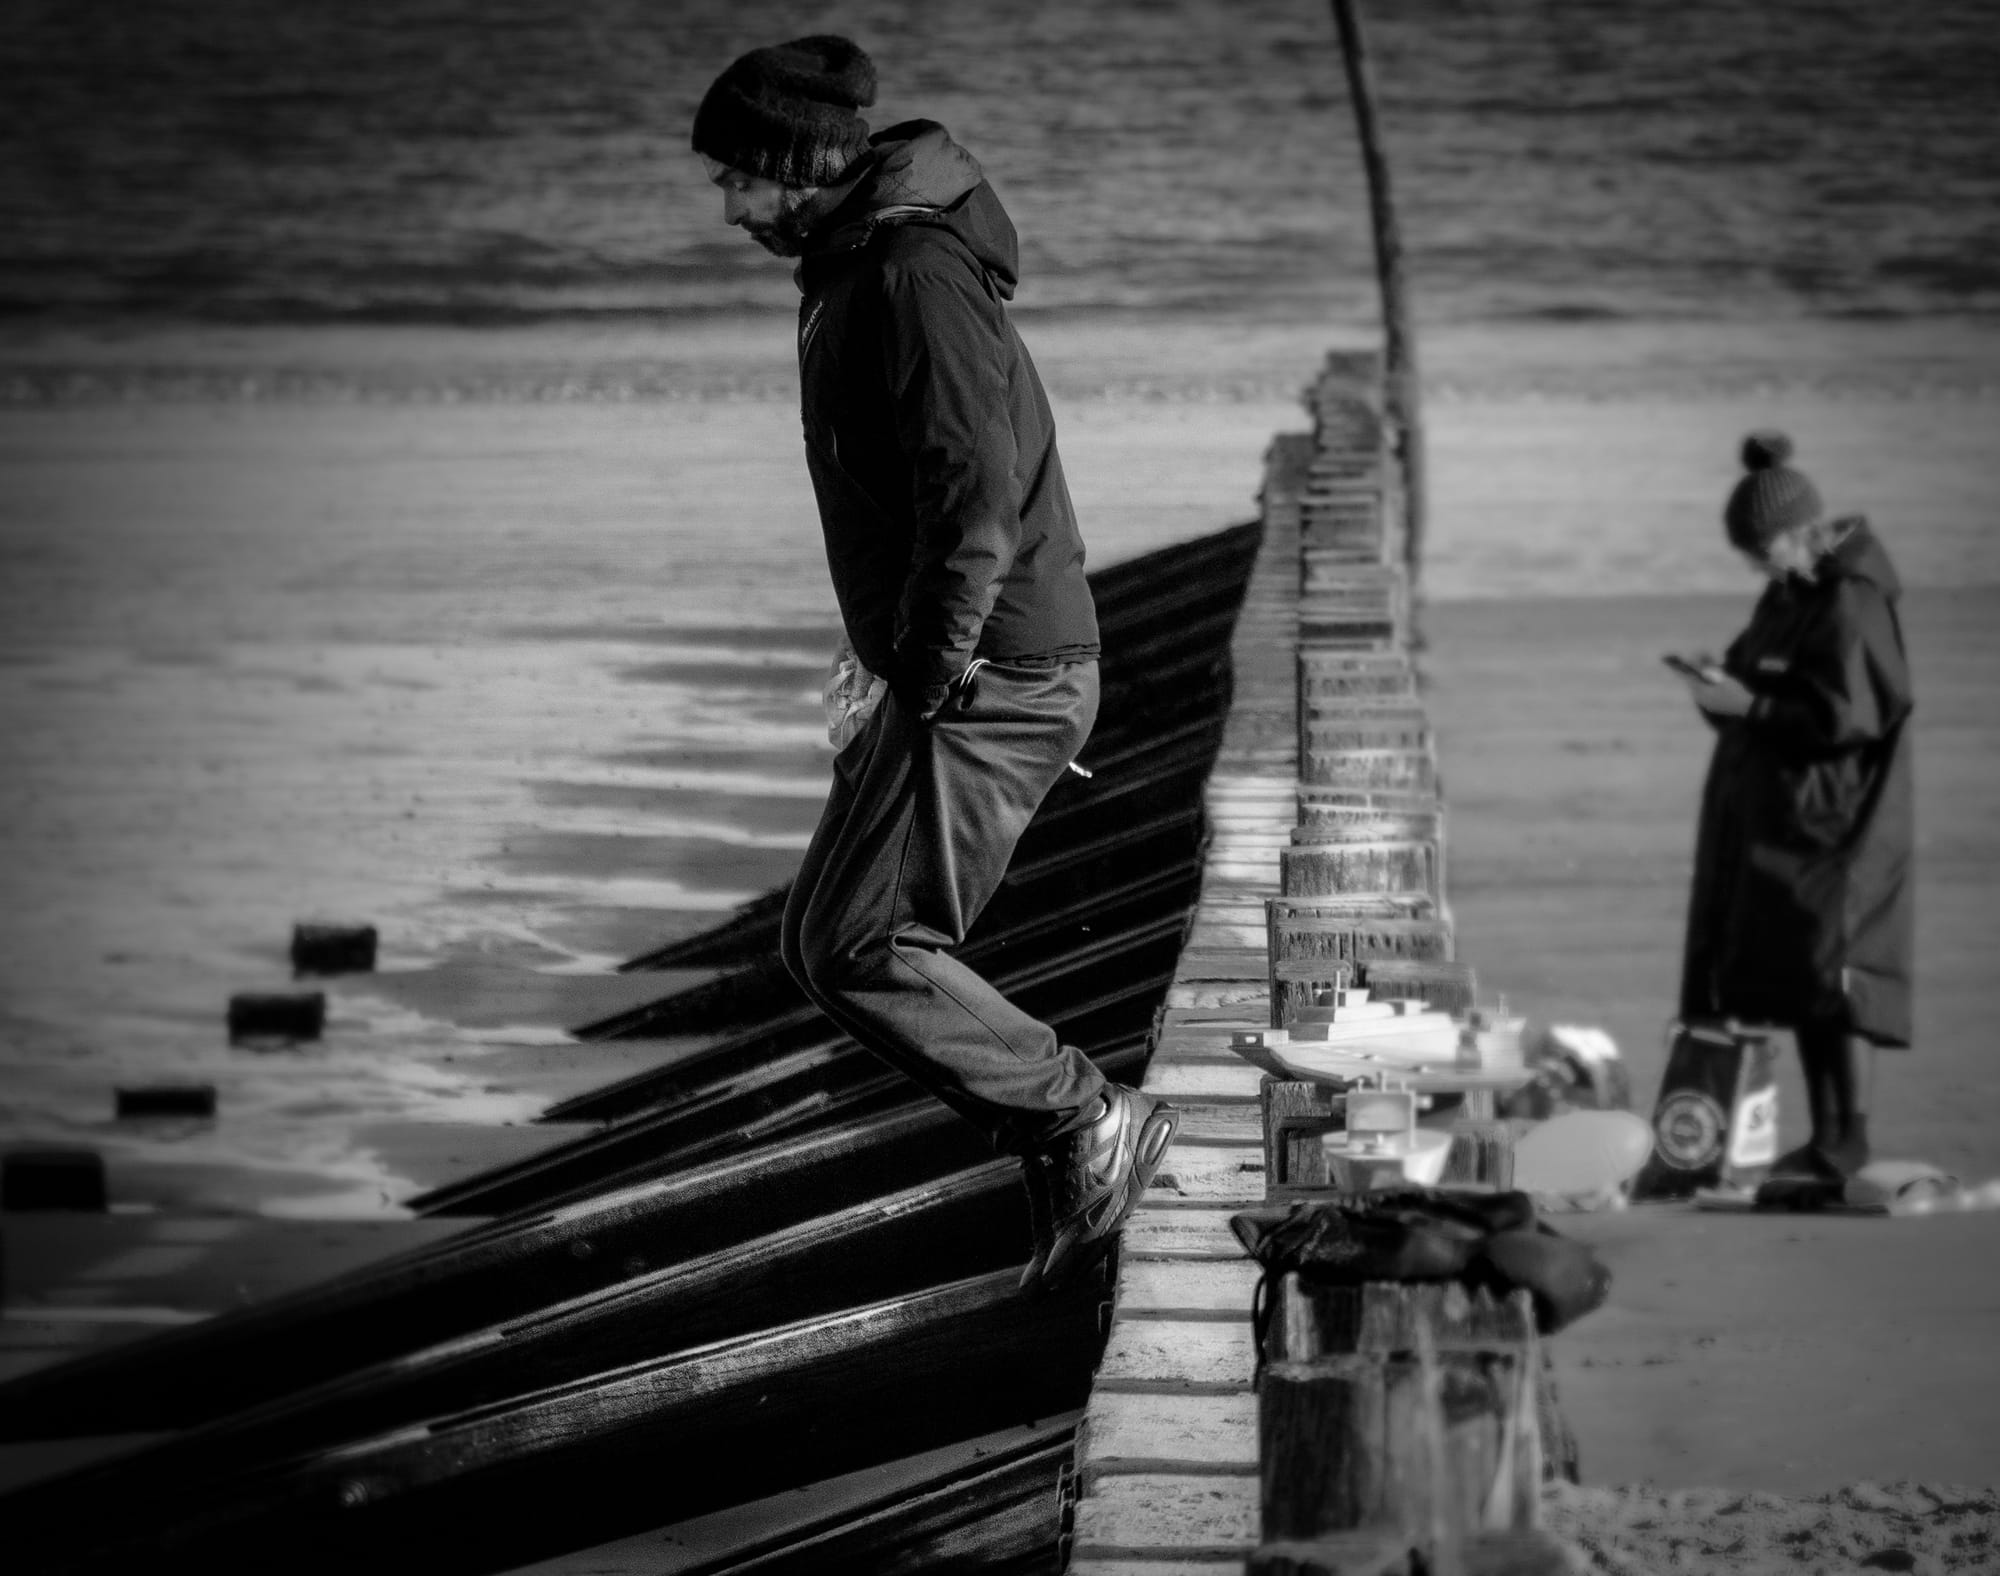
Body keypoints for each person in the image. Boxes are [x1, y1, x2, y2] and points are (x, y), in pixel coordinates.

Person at [690, 35, 1176, 1291]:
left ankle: (1083, 1122)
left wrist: (928, 667)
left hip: (993, 667)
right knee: (819, 939)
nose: (729, 209)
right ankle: (1066, 1145)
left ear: (796, 167)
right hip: (947, 657)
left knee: (863, 940)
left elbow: (971, 496)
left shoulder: (908, 271)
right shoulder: (857, 259)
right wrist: (879, 663)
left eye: (738, 181)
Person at [1674, 431, 1914, 1188]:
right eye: (1752, 553)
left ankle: (1849, 1143)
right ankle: (1825, 1140)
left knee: (1838, 975)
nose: (1758, 564)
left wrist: (1755, 705)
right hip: (1787, 812)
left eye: (1763, 548)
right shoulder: (1791, 590)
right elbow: (1758, 679)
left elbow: (1853, 716)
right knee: (1803, 979)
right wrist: (1721, 684)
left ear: (1800, 531)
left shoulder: (1852, 596)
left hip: (1841, 819)